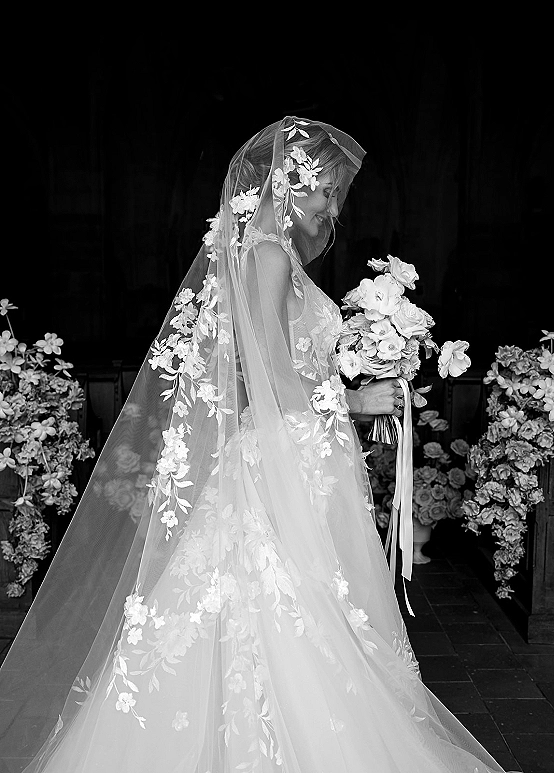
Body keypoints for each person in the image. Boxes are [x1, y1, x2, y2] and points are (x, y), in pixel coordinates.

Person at [0, 117, 509, 772]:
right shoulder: (267, 255)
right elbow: (267, 367)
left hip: (292, 450)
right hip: (281, 457)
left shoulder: (275, 256)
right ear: (286, 182)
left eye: (333, 193)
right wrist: (354, 400)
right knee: (284, 608)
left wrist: (354, 369)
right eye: (324, 189)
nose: (332, 206)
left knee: (294, 610)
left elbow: (285, 362)